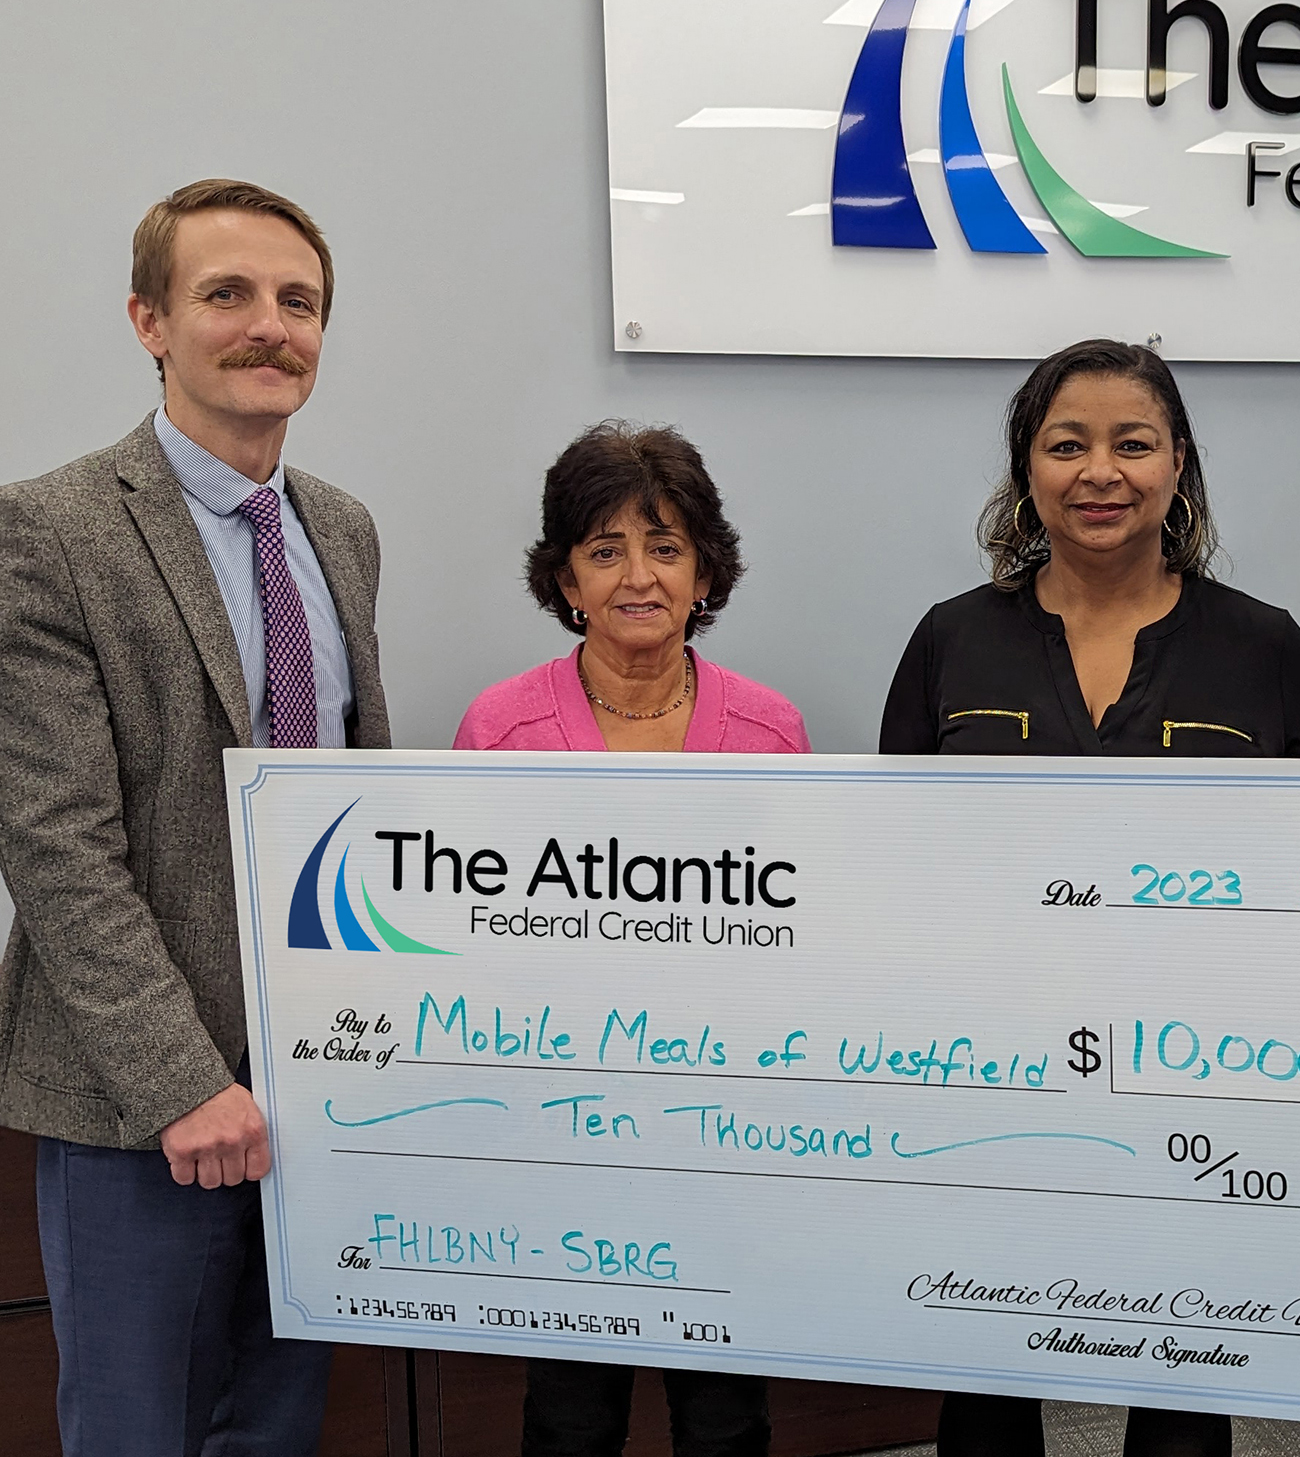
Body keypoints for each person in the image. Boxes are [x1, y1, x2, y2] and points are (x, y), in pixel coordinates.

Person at [881, 338, 1300, 1457]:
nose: (1101, 471)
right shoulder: (950, 642)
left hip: (1193, 1082)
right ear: (1024, 470)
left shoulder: (1263, 649)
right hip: (985, 1075)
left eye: (1132, 444)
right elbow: (886, 866)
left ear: (1176, 466)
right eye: (1067, 444)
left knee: (1180, 1364)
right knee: (984, 1358)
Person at [0, 180, 391, 1454]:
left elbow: (346, 799)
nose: (268, 326)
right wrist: (184, 1086)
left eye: (299, 302)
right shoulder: (48, 531)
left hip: (319, 1089)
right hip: (142, 1109)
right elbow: (56, 848)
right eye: (226, 295)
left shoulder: (340, 529)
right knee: (136, 1431)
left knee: (276, 1430)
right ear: (149, 322)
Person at [455, 421, 805, 1456]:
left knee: (725, 1411)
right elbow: (475, 943)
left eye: (664, 547)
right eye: (604, 551)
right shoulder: (500, 729)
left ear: (706, 571)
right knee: (570, 1411)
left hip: (722, 1130)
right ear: (565, 576)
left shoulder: (771, 730)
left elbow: (797, 942)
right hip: (566, 1134)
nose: (636, 577)